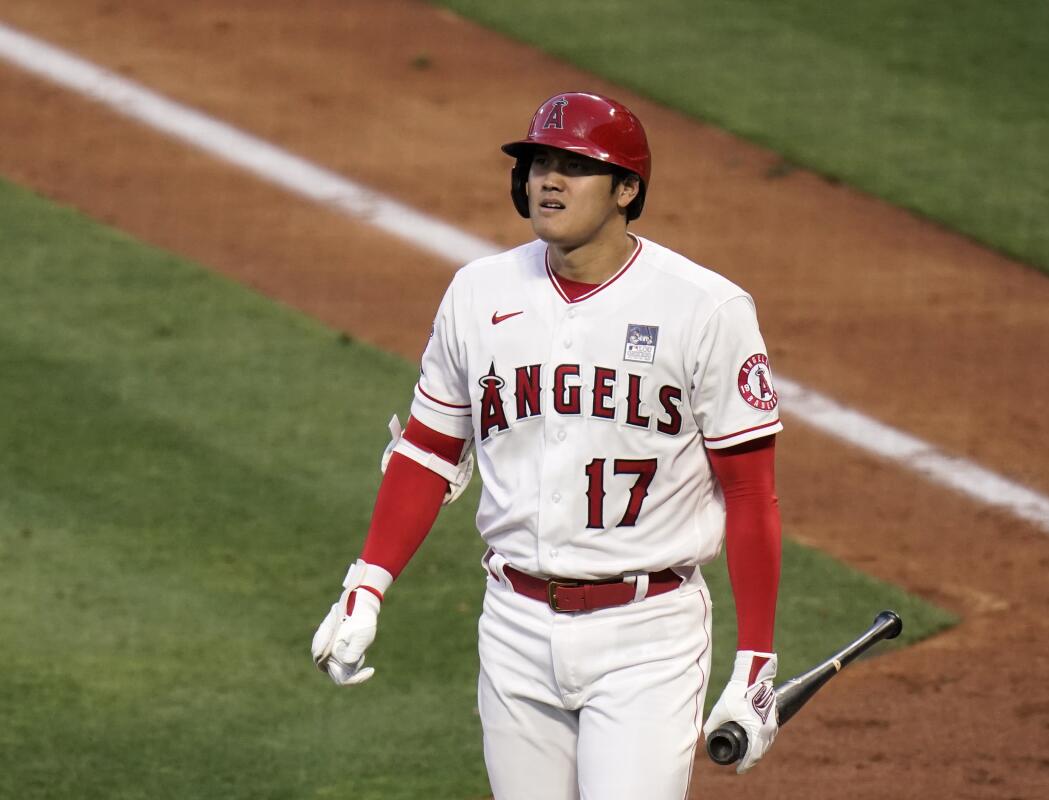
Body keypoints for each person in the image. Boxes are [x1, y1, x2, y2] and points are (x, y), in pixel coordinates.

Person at [311, 91, 784, 798]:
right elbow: (428, 450)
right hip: (513, 624)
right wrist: (366, 585)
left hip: (646, 636)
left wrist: (755, 661)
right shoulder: (478, 293)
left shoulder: (705, 309)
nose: (548, 180)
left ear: (628, 190)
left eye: (575, 166)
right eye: (538, 163)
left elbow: (749, 493)